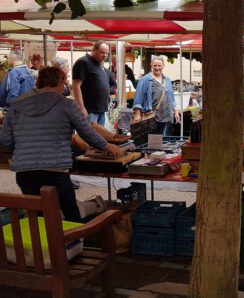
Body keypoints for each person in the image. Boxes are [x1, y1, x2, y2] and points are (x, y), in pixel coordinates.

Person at [0, 67, 121, 222]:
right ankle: (73, 244)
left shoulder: (17, 106)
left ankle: (45, 246)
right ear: (60, 82)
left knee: (39, 217)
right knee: (71, 214)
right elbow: (86, 132)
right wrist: (107, 146)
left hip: (25, 171)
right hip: (55, 169)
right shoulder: (67, 105)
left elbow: (5, 140)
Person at [132, 56, 180, 136]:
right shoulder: (145, 80)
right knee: (152, 140)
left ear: (163, 66)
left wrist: (176, 111)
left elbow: (171, 97)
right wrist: (137, 114)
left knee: (162, 139)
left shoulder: (167, 80)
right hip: (151, 116)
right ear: (151, 66)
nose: (157, 68)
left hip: (166, 115)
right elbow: (138, 97)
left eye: (159, 65)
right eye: (155, 65)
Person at [72, 41, 113, 125]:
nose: (105, 55)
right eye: (102, 52)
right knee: (90, 136)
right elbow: (76, 86)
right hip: (89, 110)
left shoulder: (99, 64)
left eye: (107, 53)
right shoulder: (83, 62)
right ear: (94, 50)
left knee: (99, 136)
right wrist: (81, 108)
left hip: (101, 110)